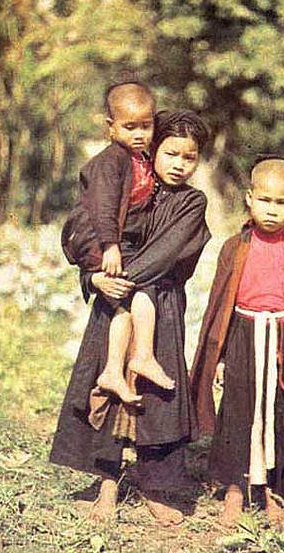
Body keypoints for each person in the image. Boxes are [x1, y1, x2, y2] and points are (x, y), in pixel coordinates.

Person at [50, 109, 211, 526]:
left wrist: (113, 279)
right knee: (108, 388)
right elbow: (82, 225)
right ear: (153, 149)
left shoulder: (192, 202)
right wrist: (93, 276)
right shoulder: (128, 187)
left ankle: (152, 487)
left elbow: (166, 254)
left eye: (189, 158)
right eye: (171, 153)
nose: (179, 164)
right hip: (115, 303)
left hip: (160, 305)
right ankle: (106, 485)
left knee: (154, 403)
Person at [190, 156, 284, 527]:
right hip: (243, 334)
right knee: (238, 412)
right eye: (265, 200)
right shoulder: (234, 248)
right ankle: (235, 490)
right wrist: (220, 357)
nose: (272, 211)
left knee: (279, 413)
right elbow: (219, 307)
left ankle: (274, 491)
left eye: (281, 202)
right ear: (249, 198)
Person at [62, 80, 175, 406]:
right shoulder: (113, 160)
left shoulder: (139, 157)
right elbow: (103, 206)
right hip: (103, 241)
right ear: (110, 127)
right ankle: (141, 356)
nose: (139, 134)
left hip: (121, 241)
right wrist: (110, 246)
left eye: (146, 126)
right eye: (129, 127)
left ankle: (114, 369)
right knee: (139, 295)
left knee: (123, 308)